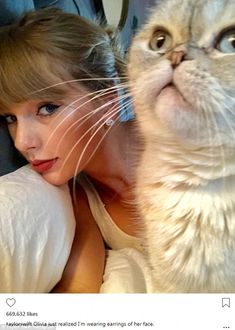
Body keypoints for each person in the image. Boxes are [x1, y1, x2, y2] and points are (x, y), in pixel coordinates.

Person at [0, 8, 146, 293]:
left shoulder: (187, 141)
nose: (22, 142)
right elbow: (79, 293)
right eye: (9, 118)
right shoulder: (79, 198)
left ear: (108, 99)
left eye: (47, 108)